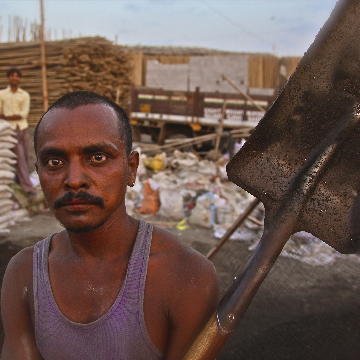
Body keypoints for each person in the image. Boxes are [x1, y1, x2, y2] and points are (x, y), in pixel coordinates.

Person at [0, 91, 220, 360]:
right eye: (54, 162)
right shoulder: (24, 274)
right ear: (39, 172)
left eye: (98, 158)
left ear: (131, 168)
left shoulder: (187, 277)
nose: (74, 179)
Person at [0, 67, 35, 197]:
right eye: (12, 75)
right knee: (19, 157)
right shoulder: (2, 94)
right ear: (8, 77)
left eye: (17, 75)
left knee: (25, 157)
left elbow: (23, 114)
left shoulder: (24, 95)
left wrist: (7, 116)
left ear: (19, 78)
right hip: (10, 130)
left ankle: (18, 182)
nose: (14, 77)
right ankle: (28, 188)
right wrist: (10, 117)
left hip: (23, 128)